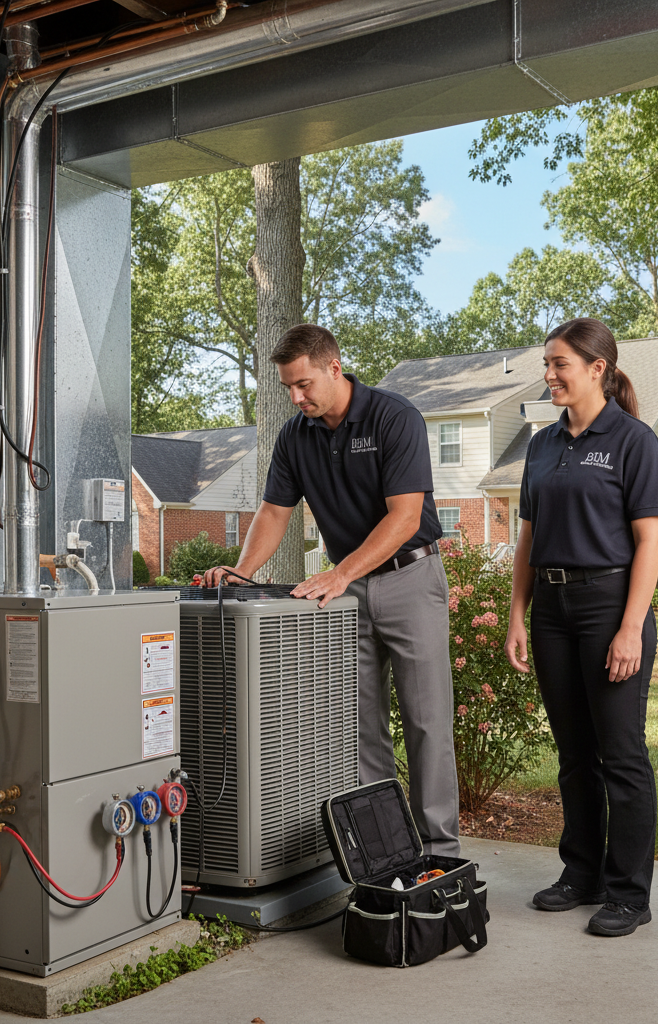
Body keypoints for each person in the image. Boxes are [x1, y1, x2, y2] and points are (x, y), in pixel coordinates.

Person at [201, 324, 460, 857]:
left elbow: (405, 517)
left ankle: (440, 854)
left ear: (333, 367)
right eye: (288, 389)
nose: (296, 398)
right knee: (360, 728)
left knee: (427, 722)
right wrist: (242, 571)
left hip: (410, 579)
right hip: (349, 595)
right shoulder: (296, 435)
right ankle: (384, 850)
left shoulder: (394, 417)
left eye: (303, 384)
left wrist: (341, 572)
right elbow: (275, 512)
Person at [505, 317, 658, 937]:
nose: (548, 375)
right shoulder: (542, 445)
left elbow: (649, 541)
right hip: (551, 609)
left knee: (621, 754)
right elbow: (527, 536)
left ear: (598, 368)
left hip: (609, 606)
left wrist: (630, 627)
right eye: (547, 364)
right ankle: (582, 874)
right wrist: (518, 614)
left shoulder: (633, 441)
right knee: (574, 755)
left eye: (559, 365)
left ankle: (629, 893)